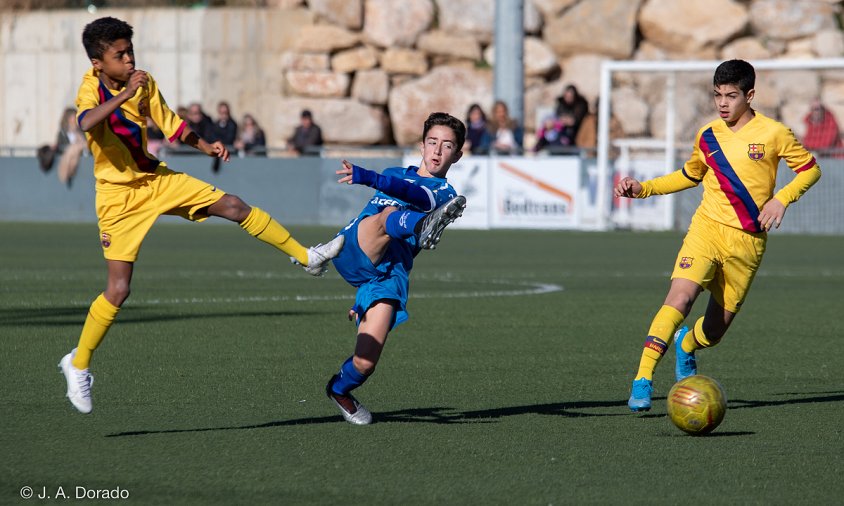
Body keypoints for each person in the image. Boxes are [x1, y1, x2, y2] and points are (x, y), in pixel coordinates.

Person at [58, 17, 344, 415]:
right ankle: (78, 363)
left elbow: (172, 125)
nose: (128, 59)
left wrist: (205, 144)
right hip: (117, 199)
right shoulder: (91, 89)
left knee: (234, 205)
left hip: (155, 180)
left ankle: (306, 256)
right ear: (97, 64)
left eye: (130, 51)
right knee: (119, 290)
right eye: (118, 55)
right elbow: (86, 121)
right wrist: (125, 95)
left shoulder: (144, 81)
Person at [615, 59, 822, 412]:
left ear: (750, 95)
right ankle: (643, 379)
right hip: (706, 229)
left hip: (748, 243)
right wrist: (643, 188)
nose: (722, 103)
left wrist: (781, 199)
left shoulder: (774, 134)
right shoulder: (707, 135)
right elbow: (689, 175)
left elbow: (810, 170)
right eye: (717, 95)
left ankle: (687, 345)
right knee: (679, 299)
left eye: (731, 95)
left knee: (713, 332)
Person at [324, 112, 468, 425]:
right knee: (387, 214)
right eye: (432, 142)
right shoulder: (392, 173)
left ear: (457, 155)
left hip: (388, 275)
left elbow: (415, 194)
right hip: (355, 246)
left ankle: (338, 390)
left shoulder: (446, 195)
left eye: (447, 146)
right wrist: (373, 179)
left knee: (365, 363)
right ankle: (420, 228)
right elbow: (393, 195)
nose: (437, 151)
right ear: (421, 145)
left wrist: (372, 179)